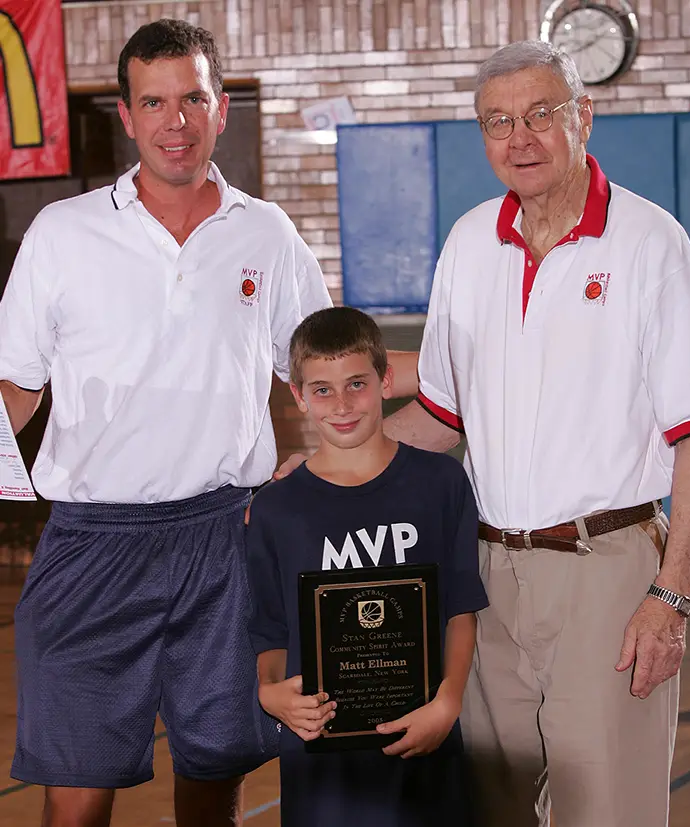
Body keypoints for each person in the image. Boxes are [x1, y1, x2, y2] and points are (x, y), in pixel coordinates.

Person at [0, 19, 417, 827]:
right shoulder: (63, 234)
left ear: (220, 107)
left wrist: (332, 470)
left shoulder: (265, 232)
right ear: (126, 116)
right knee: (76, 791)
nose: (175, 120)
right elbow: (14, 384)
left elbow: (322, 369)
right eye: (154, 102)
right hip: (91, 542)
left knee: (216, 766)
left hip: (227, 536)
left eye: (192, 98)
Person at [373, 40, 690, 827]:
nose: (521, 138)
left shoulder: (651, 242)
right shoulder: (470, 242)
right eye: (498, 122)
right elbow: (442, 415)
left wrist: (669, 594)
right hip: (489, 575)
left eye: (542, 114)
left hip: (607, 573)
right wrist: (328, 473)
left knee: (606, 811)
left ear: (584, 117)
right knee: (493, 806)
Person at [245, 306, 488, 827]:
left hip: (424, 733)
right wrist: (271, 694)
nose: (342, 404)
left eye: (357, 383)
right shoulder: (275, 509)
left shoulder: (440, 484)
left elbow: (461, 606)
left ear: (386, 381)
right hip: (322, 755)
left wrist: (447, 703)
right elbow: (269, 627)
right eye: (323, 390)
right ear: (299, 396)